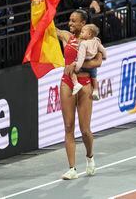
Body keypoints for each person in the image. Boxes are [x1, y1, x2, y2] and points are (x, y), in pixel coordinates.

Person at [56, 10, 102, 180]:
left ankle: (90, 157)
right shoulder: (67, 37)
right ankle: (72, 168)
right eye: (69, 20)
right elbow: (49, 28)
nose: (70, 23)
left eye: (74, 21)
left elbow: (98, 61)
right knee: (68, 126)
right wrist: (42, 4)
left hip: (84, 84)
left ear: (84, 23)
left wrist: (77, 65)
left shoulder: (93, 41)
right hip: (67, 83)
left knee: (85, 130)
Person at [70, 24, 106, 100]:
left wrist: (77, 67)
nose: (80, 33)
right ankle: (96, 91)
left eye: (82, 32)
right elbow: (103, 49)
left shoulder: (84, 44)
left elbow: (81, 57)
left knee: (72, 70)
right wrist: (105, 56)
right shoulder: (96, 41)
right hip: (92, 66)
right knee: (94, 78)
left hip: (84, 63)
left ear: (89, 34)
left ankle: (76, 84)